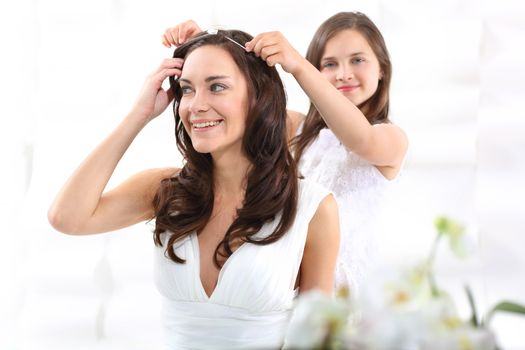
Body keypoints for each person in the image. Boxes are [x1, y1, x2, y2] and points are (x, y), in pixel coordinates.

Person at [48, 29, 340, 349]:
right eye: (187, 89)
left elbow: (316, 338)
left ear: (260, 96)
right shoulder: (164, 190)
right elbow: (67, 217)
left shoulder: (312, 207)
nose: (196, 105)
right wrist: (139, 115)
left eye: (216, 87)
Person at [162, 13, 408, 296]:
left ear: (382, 70)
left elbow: (360, 139)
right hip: (289, 292)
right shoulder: (297, 128)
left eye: (357, 60)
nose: (343, 74)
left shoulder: (392, 139)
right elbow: (241, 104)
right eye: (329, 64)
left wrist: (298, 66)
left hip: (350, 301)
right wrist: (204, 49)